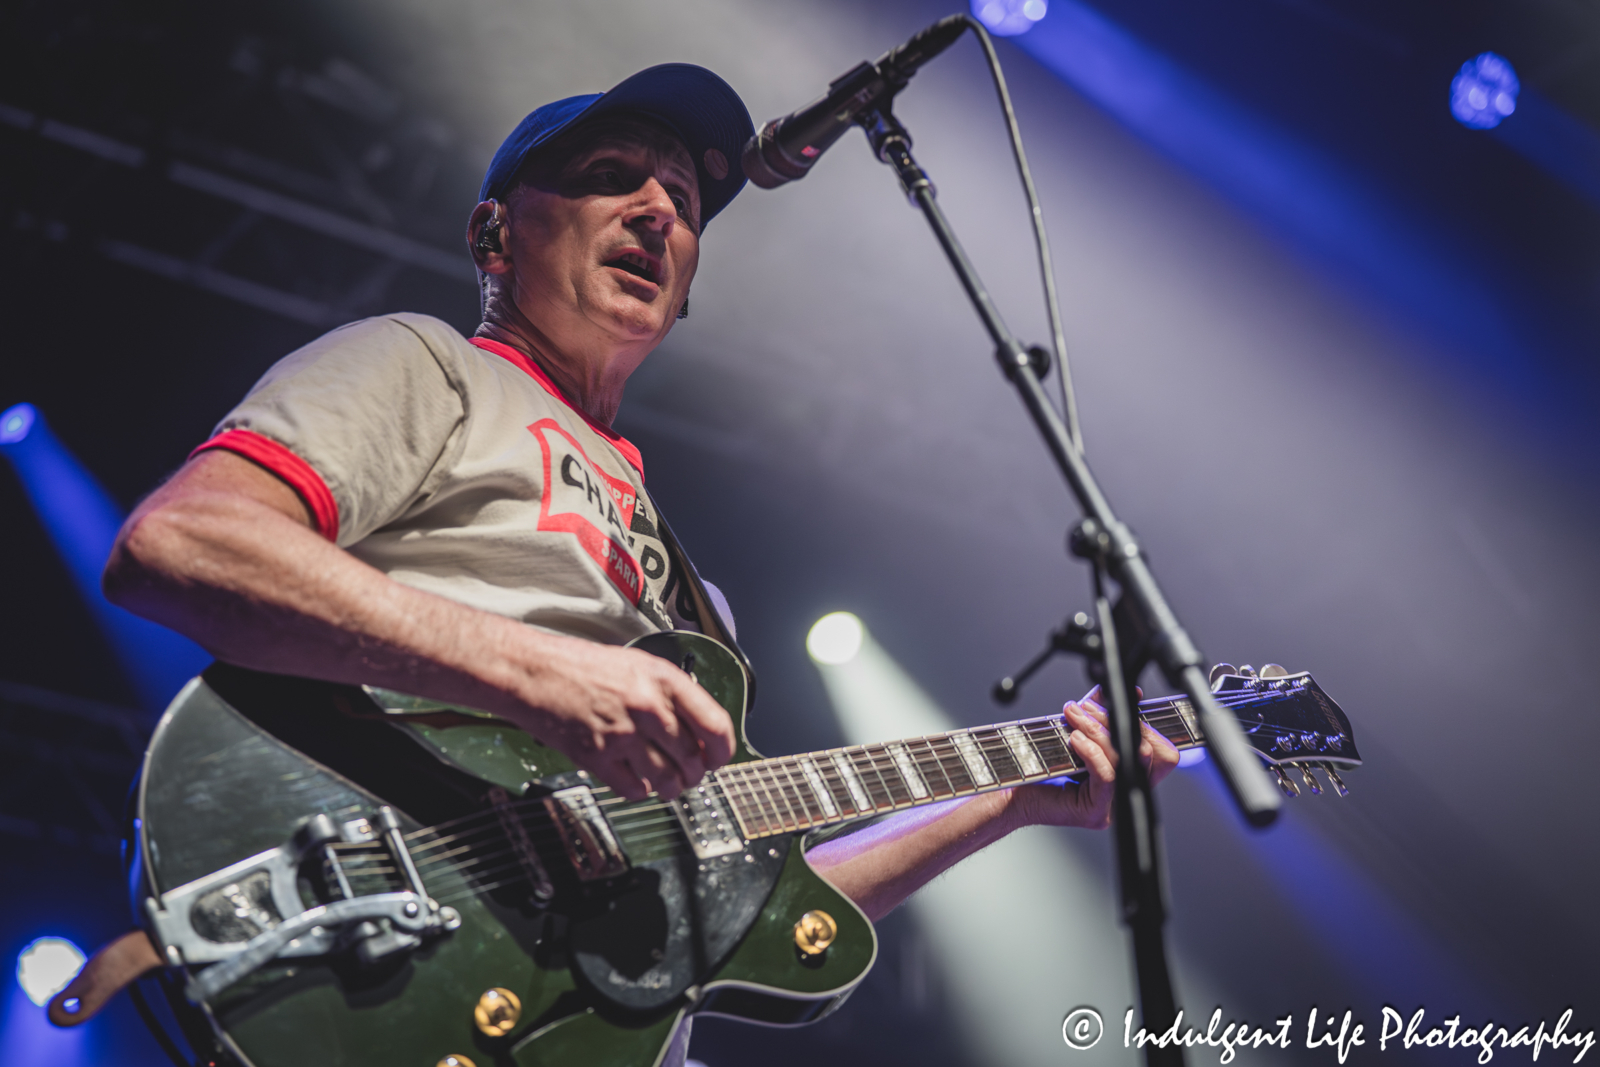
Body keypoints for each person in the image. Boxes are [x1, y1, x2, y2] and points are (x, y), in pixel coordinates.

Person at [104, 60, 1176, 1028]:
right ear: (495, 235)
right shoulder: (424, 365)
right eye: (611, 176)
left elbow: (746, 909)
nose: (659, 209)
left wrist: (1011, 796)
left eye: (684, 204)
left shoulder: (697, 608)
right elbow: (185, 544)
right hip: (366, 911)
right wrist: (543, 672)